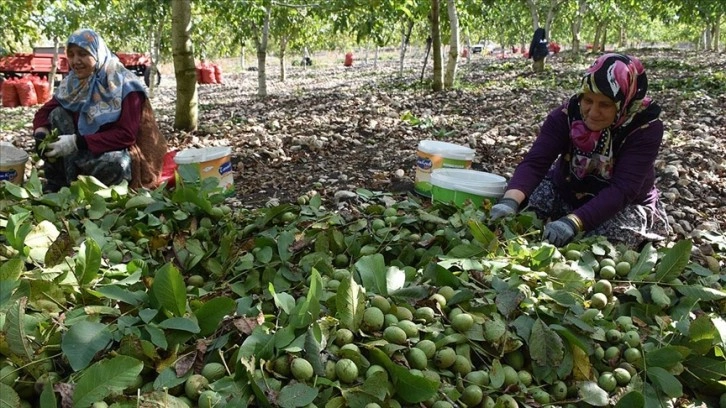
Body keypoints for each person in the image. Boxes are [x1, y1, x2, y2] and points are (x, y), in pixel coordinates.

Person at [489, 53, 670, 249]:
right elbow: (535, 162)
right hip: (567, 191)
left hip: (622, 205)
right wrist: (509, 202)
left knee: (598, 243)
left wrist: (573, 222)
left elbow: (623, 189)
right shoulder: (566, 115)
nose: (592, 112)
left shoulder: (645, 127)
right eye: (588, 101)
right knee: (521, 211)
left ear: (623, 103)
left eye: (605, 104)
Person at [32, 28, 167, 192]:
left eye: (82, 54)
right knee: (57, 114)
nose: (75, 61)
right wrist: (41, 134)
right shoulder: (73, 83)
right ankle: (60, 182)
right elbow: (44, 113)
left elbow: (126, 136)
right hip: (87, 148)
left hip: (123, 150)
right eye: (71, 54)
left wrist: (76, 142)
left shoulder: (125, 85)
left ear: (97, 53)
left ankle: (83, 183)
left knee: (116, 165)